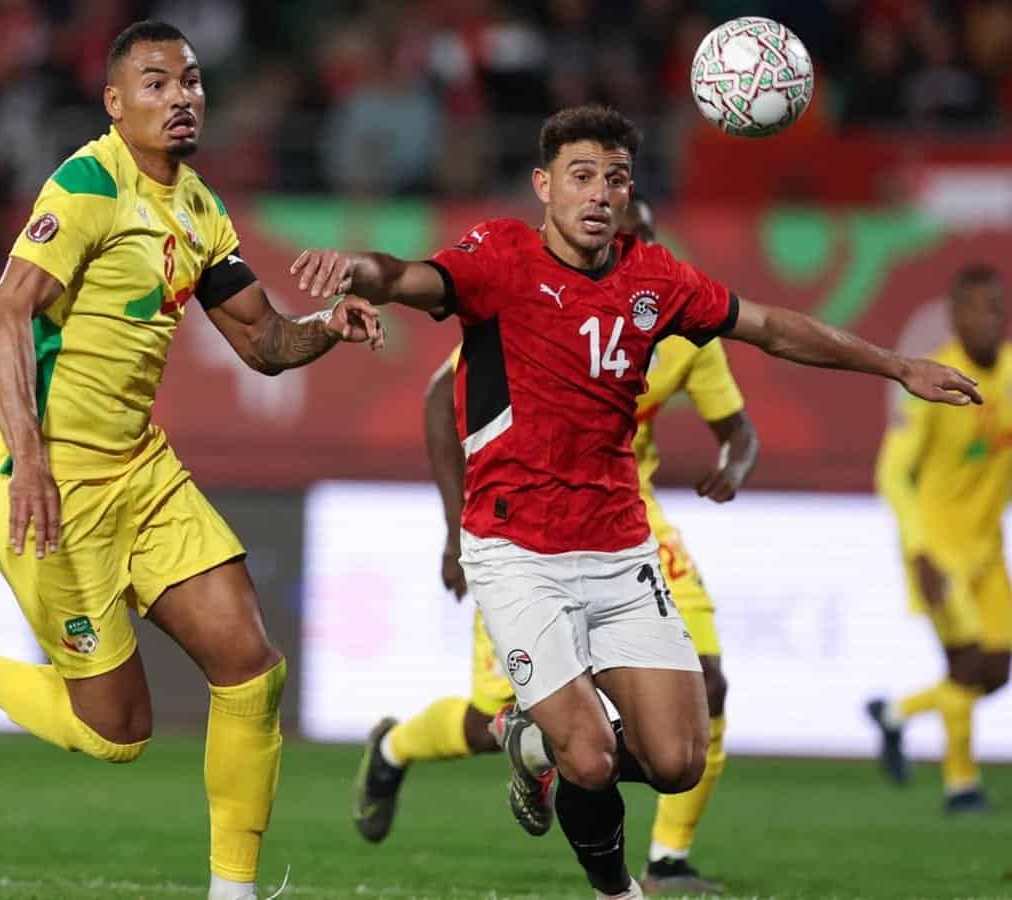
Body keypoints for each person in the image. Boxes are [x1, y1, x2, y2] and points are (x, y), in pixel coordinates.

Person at [290, 104, 977, 899]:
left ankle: (533, 747)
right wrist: (354, 271)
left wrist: (896, 365)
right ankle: (621, 888)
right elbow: (405, 276)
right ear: (543, 186)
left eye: (615, 178)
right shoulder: (498, 259)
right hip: (518, 555)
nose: (600, 194)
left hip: (620, 550)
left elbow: (771, 327)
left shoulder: (657, 280)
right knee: (590, 756)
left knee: (679, 761)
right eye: (581, 177)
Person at [0, 20, 380, 900]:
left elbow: (263, 342)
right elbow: (3, 317)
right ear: (115, 104)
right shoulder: (87, 183)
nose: (182, 96)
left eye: (191, 81)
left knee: (252, 668)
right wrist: (31, 462)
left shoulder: (199, 209)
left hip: (140, 472)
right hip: (47, 484)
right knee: (115, 733)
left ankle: (230, 893)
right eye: (156, 83)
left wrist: (327, 332)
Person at [350, 195, 758, 895]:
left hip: (632, 522)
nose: (631, 253)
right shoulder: (543, 302)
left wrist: (735, 466)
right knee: (492, 720)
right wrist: (455, 530)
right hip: (523, 525)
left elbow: (739, 430)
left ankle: (667, 859)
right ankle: (396, 747)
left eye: (644, 240)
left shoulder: (679, 321)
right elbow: (438, 398)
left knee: (707, 687)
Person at [869, 263, 1011, 815]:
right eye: (979, 308)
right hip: (938, 547)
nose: (991, 319)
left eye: (998, 308)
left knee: (997, 672)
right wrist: (920, 551)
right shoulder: (936, 380)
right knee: (969, 661)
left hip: (988, 548)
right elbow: (893, 473)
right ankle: (962, 785)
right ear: (955, 317)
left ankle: (897, 713)